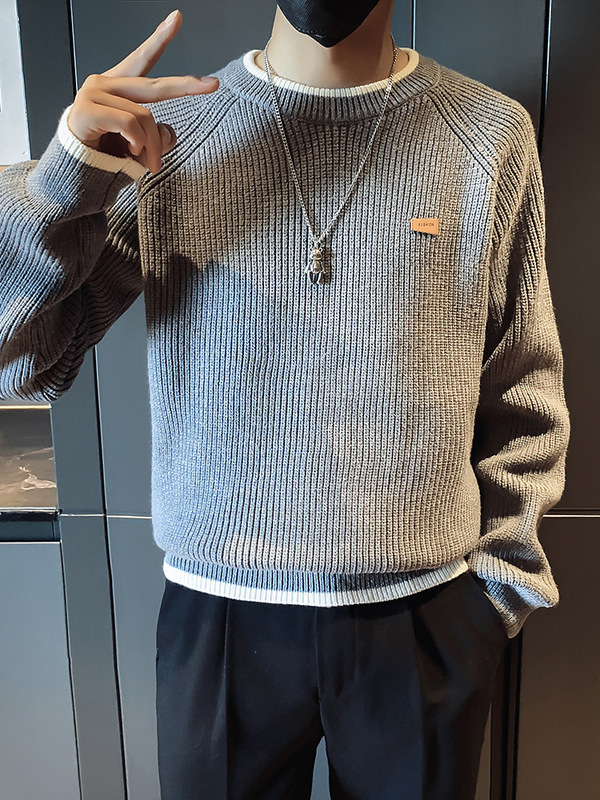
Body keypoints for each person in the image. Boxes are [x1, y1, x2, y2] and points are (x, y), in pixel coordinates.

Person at [0, 1, 570, 798]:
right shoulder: (171, 138)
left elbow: (523, 379)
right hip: (219, 618)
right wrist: (64, 178)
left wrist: (496, 595)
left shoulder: (488, 133)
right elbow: (21, 362)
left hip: (424, 618)